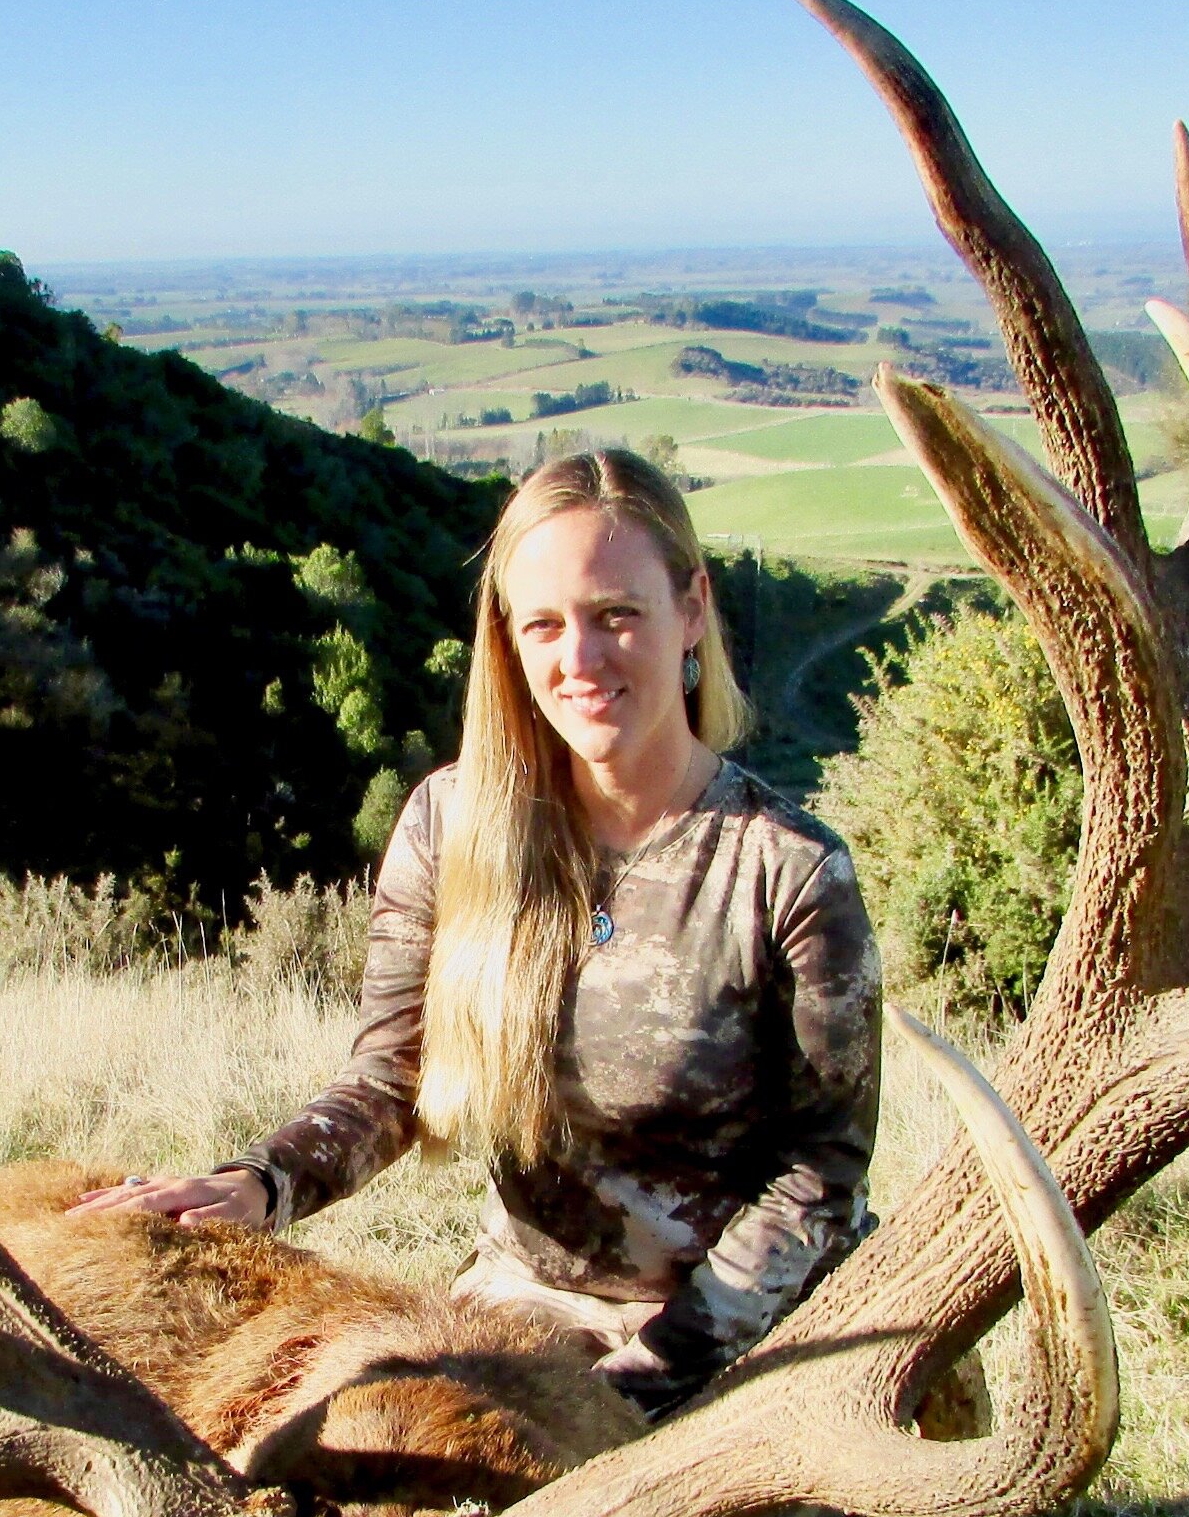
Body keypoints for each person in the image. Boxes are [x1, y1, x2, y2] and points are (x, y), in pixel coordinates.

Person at [78, 446, 881, 1421]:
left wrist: (652, 1379)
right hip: (523, 1316)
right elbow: (392, 1080)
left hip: (733, 1337)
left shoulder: (789, 872)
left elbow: (818, 1178)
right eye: (544, 624)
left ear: (693, 609)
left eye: (616, 615)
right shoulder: (451, 826)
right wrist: (260, 1184)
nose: (579, 661)